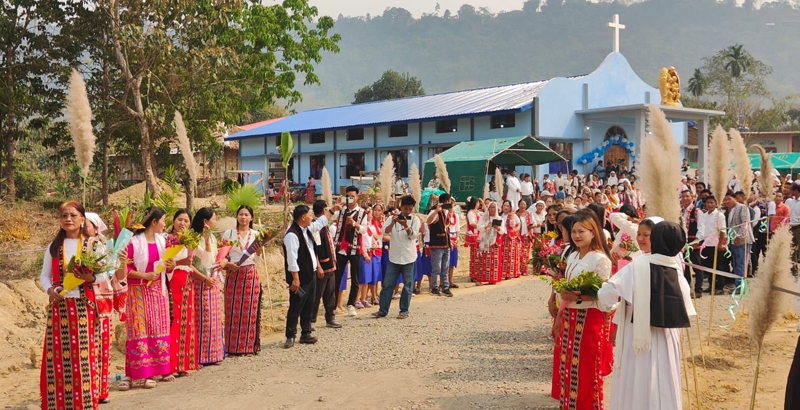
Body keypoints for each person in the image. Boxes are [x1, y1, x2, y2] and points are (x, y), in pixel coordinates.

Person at [597, 221, 695, 410]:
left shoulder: (638, 266)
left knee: (638, 381)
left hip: (638, 336)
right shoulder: (675, 268)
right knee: (664, 381)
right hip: (667, 338)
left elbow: (606, 293)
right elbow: (686, 308)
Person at [40, 202, 107, 408]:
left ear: (82, 219)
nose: (68, 219)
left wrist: (89, 277)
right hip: (60, 308)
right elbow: (45, 276)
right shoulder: (53, 247)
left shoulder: (94, 245)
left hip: (83, 307)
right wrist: (50, 290)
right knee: (58, 358)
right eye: (64, 216)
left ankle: (84, 402)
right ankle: (59, 404)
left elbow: (102, 275)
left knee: (83, 358)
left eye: (73, 215)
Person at [554, 210, 613, 410]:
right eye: (574, 232)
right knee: (568, 366)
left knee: (587, 368)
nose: (577, 236)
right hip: (571, 317)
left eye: (582, 231)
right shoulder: (574, 256)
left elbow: (605, 294)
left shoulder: (601, 259)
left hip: (590, 318)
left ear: (593, 232)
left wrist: (578, 296)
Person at [121, 207, 172, 390]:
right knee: (138, 331)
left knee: (157, 328)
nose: (165, 224)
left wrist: (171, 265)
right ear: (154, 222)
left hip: (158, 291)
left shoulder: (163, 241)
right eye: (164, 220)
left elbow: (166, 268)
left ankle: (160, 369)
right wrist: (144, 275)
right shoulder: (133, 243)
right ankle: (141, 374)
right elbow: (124, 270)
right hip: (138, 292)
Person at [221, 205, 264, 355]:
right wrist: (227, 264)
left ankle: (248, 346)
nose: (243, 217)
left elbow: (257, 259)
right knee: (232, 310)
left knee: (249, 311)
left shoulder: (256, 234)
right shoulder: (229, 233)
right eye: (241, 214)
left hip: (250, 273)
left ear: (251, 218)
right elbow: (223, 256)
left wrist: (258, 252)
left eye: (246, 215)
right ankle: (232, 347)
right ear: (236, 217)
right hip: (233, 273)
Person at [85, 212, 117, 403]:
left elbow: (111, 274)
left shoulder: (103, 248)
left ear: (96, 229)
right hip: (87, 300)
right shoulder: (76, 247)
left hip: (103, 301)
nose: (83, 228)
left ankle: (101, 390)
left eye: (86, 225)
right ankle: (89, 389)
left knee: (102, 346)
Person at [373, 196, 421, 319]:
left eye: (410, 209)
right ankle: (383, 310)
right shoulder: (391, 218)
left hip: (409, 257)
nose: (407, 212)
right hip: (394, 257)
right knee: (388, 284)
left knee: (408, 285)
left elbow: (413, 236)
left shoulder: (415, 219)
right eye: (405, 209)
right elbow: (385, 231)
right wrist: (394, 222)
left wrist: (405, 225)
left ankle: (404, 310)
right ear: (401, 207)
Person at [165, 210, 199, 376]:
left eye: (186, 221)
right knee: (172, 320)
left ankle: (182, 364)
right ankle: (169, 366)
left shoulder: (189, 241)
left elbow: (190, 263)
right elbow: (163, 262)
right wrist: (180, 262)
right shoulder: (166, 239)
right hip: (171, 280)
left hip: (186, 282)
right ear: (173, 220)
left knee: (186, 321)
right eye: (179, 219)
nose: (182, 223)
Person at [191, 207, 225, 366]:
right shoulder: (194, 238)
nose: (216, 221)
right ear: (205, 221)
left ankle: (214, 353)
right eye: (214, 218)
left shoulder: (211, 237)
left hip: (213, 280)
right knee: (203, 318)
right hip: (200, 281)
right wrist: (205, 278)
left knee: (214, 318)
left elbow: (214, 260)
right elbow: (205, 261)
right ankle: (202, 355)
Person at [283, 205, 319, 347]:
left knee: (309, 304)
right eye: (310, 215)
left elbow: (320, 223)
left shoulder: (305, 230)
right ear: (303, 217)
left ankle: (306, 332)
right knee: (296, 305)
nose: (312, 217)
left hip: (311, 273)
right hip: (300, 276)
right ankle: (290, 335)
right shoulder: (292, 234)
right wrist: (296, 278)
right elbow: (292, 259)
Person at [331, 186, 369, 317]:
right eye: (348, 196)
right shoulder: (341, 210)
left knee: (355, 278)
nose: (350, 198)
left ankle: (351, 304)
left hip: (355, 248)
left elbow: (364, 230)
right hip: (341, 247)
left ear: (357, 197)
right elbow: (329, 218)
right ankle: (333, 305)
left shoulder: (363, 212)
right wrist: (334, 207)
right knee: (337, 277)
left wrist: (355, 224)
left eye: (353, 196)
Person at [310, 200, 343, 330]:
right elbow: (314, 248)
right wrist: (318, 266)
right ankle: (311, 320)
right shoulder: (316, 227)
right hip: (322, 267)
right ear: (324, 211)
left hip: (330, 265)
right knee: (317, 295)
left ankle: (330, 318)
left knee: (330, 293)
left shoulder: (324, 226)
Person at [697, 196, 726, 295]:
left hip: (715, 244)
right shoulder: (704, 215)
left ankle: (719, 287)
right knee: (708, 267)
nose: (709, 205)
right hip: (706, 244)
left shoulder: (719, 215)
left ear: (716, 204)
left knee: (718, 266)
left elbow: (722, 230)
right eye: (708, 203)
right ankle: (711, 285)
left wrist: (720, 243)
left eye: (711, 203)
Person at [426, 193, 454, 296]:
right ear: (444, 202)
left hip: (446, 244)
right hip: (437, 244)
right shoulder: (435, 211)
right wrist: (436, 211)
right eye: (448, 201)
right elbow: (428, 221)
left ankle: (445, 287)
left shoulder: (447, 213)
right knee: (436, 267)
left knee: (445, 267)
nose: (450, 203)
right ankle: (434, 287)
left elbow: (447, 228)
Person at [723, 192, 753, 285]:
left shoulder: (742, 207)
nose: (727, 201)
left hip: (743, 241)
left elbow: (745, 223)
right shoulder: (730, 210)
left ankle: (741, 286)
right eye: (725, 200)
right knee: (735, 264)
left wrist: (739, 237)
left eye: (729, 199)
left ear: (735, 198)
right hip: (733, 241)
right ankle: (738, 284)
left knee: (741, 263)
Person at [680, 190, 702, 296]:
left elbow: (701, 228)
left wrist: (697, 241)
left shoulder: (697, 211)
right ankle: (687, 289)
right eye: (683, 196)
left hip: (694, 242)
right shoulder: (681, 211)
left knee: (697, 266)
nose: (684, 198)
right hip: (683, 244)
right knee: (686, 267)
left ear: (692, 197)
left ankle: (698, 290)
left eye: (687, 196)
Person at [477, 201, 504, 285]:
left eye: (494, 207)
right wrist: (486, 226)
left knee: (494, 262)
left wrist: (498, 228)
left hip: (494, 242)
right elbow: (479, 227)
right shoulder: (484, 218)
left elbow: (502, 231)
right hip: (485, 242)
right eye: (491, 207)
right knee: (483, 261)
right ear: (488, 208)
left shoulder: (499, 219)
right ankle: (480, 279)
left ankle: (492, 279)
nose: (492, 209)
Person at [499, 200, 520, 280]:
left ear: (510, 207)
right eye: (505, 206)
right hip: (501, 238)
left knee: (509, 256)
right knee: (501, 256)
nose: (506, 207)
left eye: (508, 206)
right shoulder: (499, 215)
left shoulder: (513, 216)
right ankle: (501, 273)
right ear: (502, 206)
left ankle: (508, 273)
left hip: (510, 238)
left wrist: (516, 230)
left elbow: (519, 224)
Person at [464, 197, 482, 282]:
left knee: (478, 256)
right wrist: (481, 227)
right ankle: (473, 274)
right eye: (478, 202)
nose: (479, 204)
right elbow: (472, 223)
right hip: (474, 236)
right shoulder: (471, 213)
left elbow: (486, 213)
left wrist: (484, 204)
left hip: (478, 235)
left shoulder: (477, 212)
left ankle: (477, 273)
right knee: (474, 256)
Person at [517, 199, 533, 276]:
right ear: (518, 205)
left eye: (524, 204)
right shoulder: (515, 214)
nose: (523, 206)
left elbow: (533, 223)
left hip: (527, 236)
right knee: (519, 253)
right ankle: (518, 269)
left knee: (526, 254)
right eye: (521, 204)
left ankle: (524, 270)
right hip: (518, 236)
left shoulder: (529, 214)